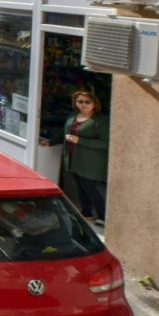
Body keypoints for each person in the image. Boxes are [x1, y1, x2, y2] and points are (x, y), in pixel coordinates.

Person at [61, 88, 110, 225]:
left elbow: (105, 143)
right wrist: (50, 142)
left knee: (90, 188)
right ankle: (86, 212)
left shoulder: (101, 120)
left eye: (87, 102)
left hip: (90, 162)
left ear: (95, 103)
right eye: (79, 101)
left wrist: (80, 141)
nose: (83, 104)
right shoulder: (73, 115)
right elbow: (64, 132)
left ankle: (102, 216)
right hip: (73, 158)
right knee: (81, 187)